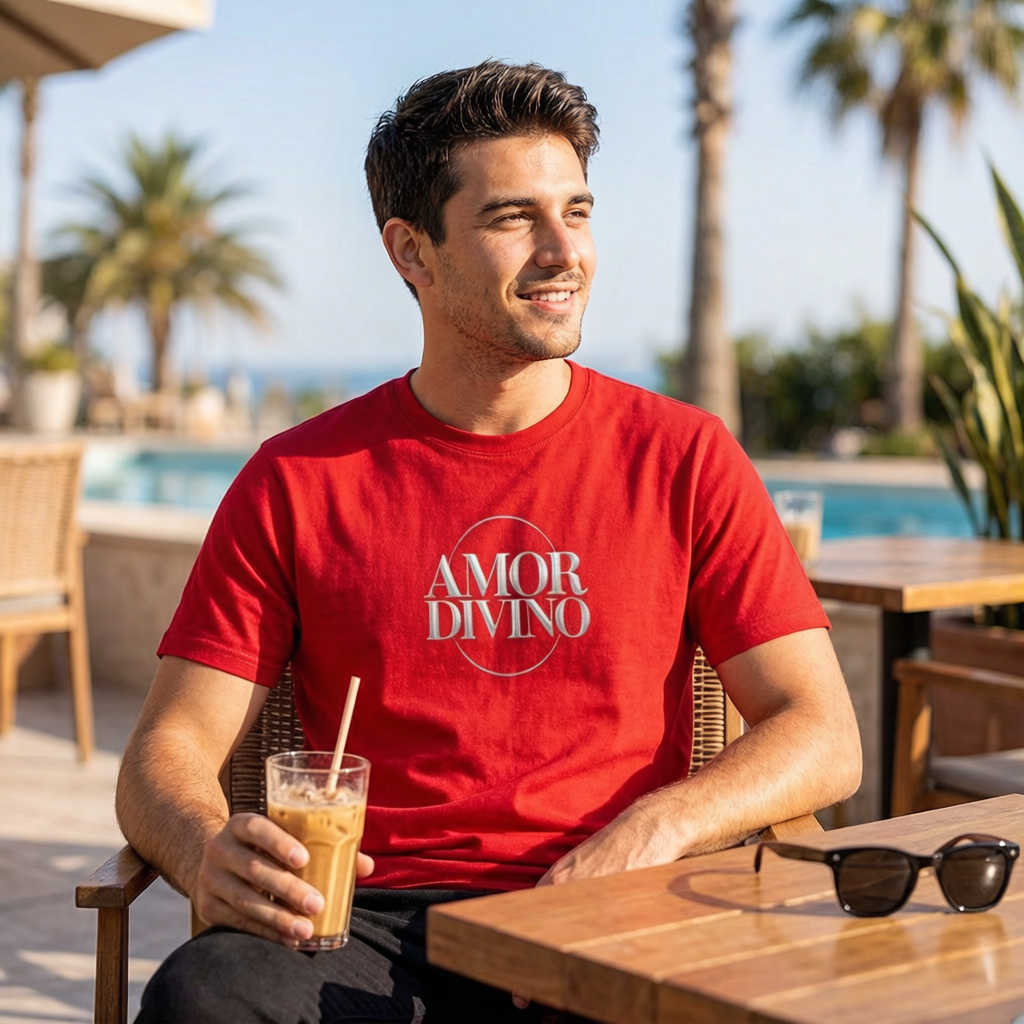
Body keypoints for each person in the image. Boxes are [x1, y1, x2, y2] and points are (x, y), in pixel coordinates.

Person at [121, 61, 861, 1024]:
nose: (565, 251)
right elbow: (165, 753)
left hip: (609, 905)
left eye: (579, 212)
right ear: (411, 253)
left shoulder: (684, 457)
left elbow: (823, 732)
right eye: (514, 218)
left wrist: (660, 825)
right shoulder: (298, 479)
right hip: (371, 921)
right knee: (202, 998)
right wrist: (204, 848)